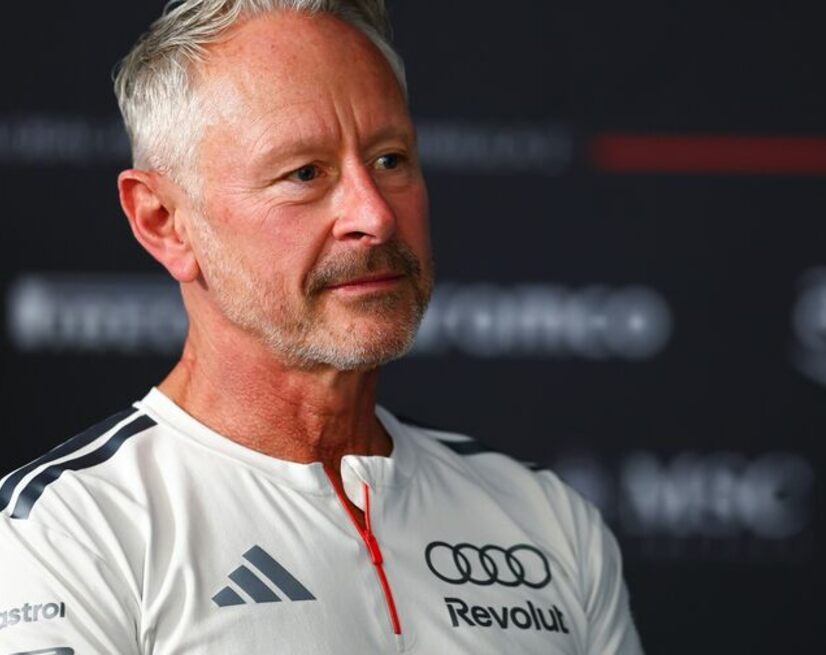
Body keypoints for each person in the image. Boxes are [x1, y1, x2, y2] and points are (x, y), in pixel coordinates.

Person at [0, 1, 643, 653]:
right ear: (164, 222)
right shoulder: (66, 534)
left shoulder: (546, 521)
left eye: (390, 159)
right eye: (304, 174)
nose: (375, 216)